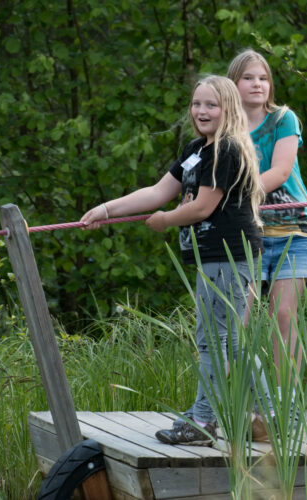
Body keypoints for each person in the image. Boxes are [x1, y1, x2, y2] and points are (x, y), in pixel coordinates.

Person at [80, 75, 264, 446]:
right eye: (197, 104)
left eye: (211, 105)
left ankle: (203, 422)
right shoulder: (197, 149)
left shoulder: (225, 149)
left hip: (229, 254)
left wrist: (165, 221)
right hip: (211, 257)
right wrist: (106, 209)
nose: (202, 111)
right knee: (225, 341)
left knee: (214, 340)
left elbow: (203, 206)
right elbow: (159, 191)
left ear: (227, 108)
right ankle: (271, 416)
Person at [227, 50, 307, 396]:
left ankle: (286, 400)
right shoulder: (226, 129)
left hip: (294, 231)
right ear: (233, 84)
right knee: (239, 322)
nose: (257, 84)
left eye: (263, 78)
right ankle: (239, 403)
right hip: (248, 234)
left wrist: (231, 199)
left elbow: (280, 172)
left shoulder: (284, 118)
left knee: (283, 315)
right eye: (249, 78)